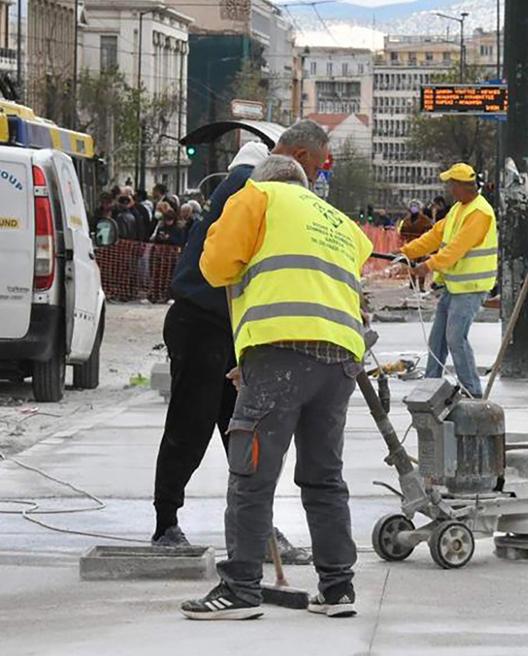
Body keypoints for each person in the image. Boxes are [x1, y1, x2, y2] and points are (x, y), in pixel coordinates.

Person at [182, 153, 370, 621]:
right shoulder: (337, 220)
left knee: (252, 474)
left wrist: (263, 357)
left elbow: (216, 267)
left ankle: (240, 588)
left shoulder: (256, 196)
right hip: (340, 358)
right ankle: (337, 588)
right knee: (324, 476)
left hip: (281, 353)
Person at [151, 124, 328, 556]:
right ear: (301, 158)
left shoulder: (261, 187)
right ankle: (166, 524)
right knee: (190, 426)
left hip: (236, 329)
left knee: (249, 435)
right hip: (204, 321)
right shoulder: (250, 187)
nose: (317, 179)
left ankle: (259, 528)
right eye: (318, 168)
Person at [399, 163, 498, 398]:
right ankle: (430, 387)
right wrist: (407, 252)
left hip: (471, 288)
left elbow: (455, 249)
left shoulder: (480, 213)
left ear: (463, 186)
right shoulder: (457, 210)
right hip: (455, 286)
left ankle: (472, 390)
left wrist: (427, 266)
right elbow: (434, 236)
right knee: (438, 340)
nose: (450, 189)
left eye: (452, 184)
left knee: (455, 338)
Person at [398, 200, 434, 292]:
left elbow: (431, 229)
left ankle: (421, 285)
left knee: (421, 264)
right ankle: (412, 283)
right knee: (411, 264)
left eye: (415, 206)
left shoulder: (424, 219)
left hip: (421, 244)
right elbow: (402, 232)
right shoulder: (406, 220)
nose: (413, 208)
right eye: (412, 206)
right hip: (411, 245)